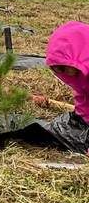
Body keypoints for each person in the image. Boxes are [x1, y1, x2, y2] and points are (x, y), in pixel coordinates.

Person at [34, 21, 89, 153]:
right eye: (60, 70)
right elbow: (83, 98)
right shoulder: (81, 75)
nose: (66, 74)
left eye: (65, 68)